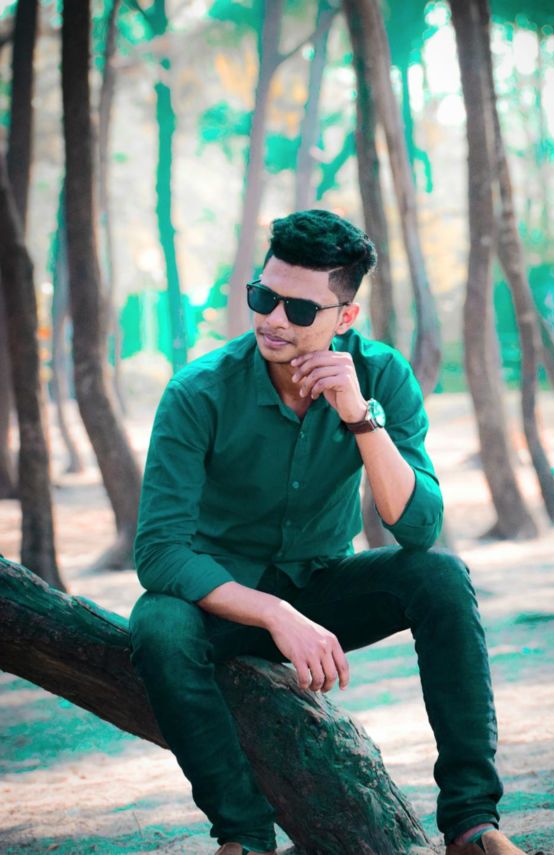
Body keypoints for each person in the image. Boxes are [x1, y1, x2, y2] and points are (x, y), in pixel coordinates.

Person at [129, 210, 527, 855]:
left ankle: (472, 825)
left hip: (323, 586)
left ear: (346, 317)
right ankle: (243, 837)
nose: (273, 319)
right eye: (263, 297)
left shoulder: (382, 375)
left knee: (440, 577)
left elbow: (418, 527)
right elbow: (159, 552)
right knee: (158, 624)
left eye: (299, 309)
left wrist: (360, 417)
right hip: (223, 602)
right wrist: (274, 613)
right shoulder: (199, 392)